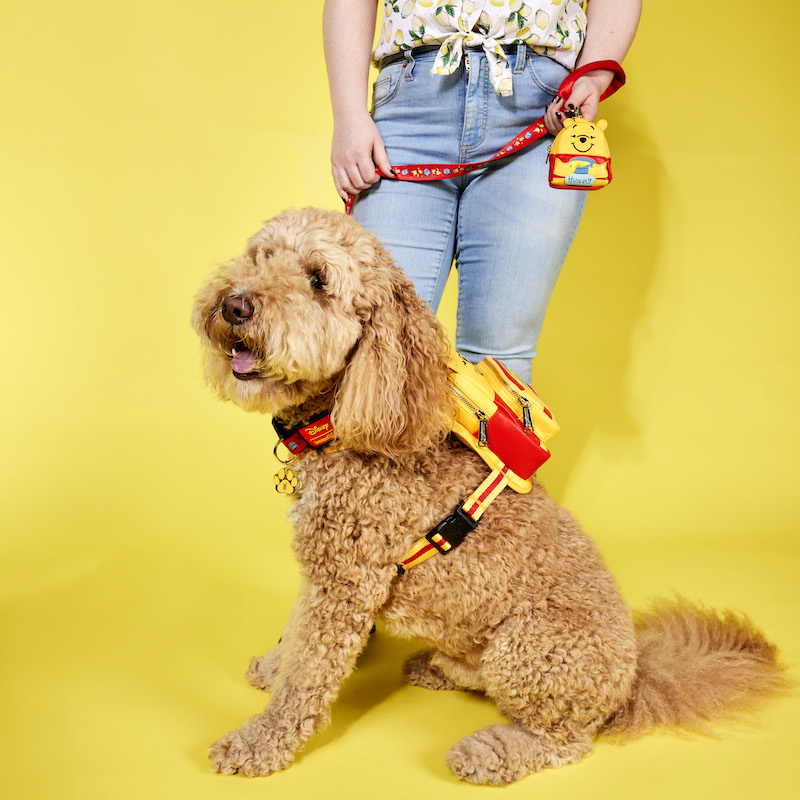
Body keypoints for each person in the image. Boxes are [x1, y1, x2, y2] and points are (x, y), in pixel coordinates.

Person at [323, 0, 641, 383]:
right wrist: (348, 115)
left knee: (498, 364)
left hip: (542, 110)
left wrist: (593, 77)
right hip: (409, 106)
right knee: (373, 351)